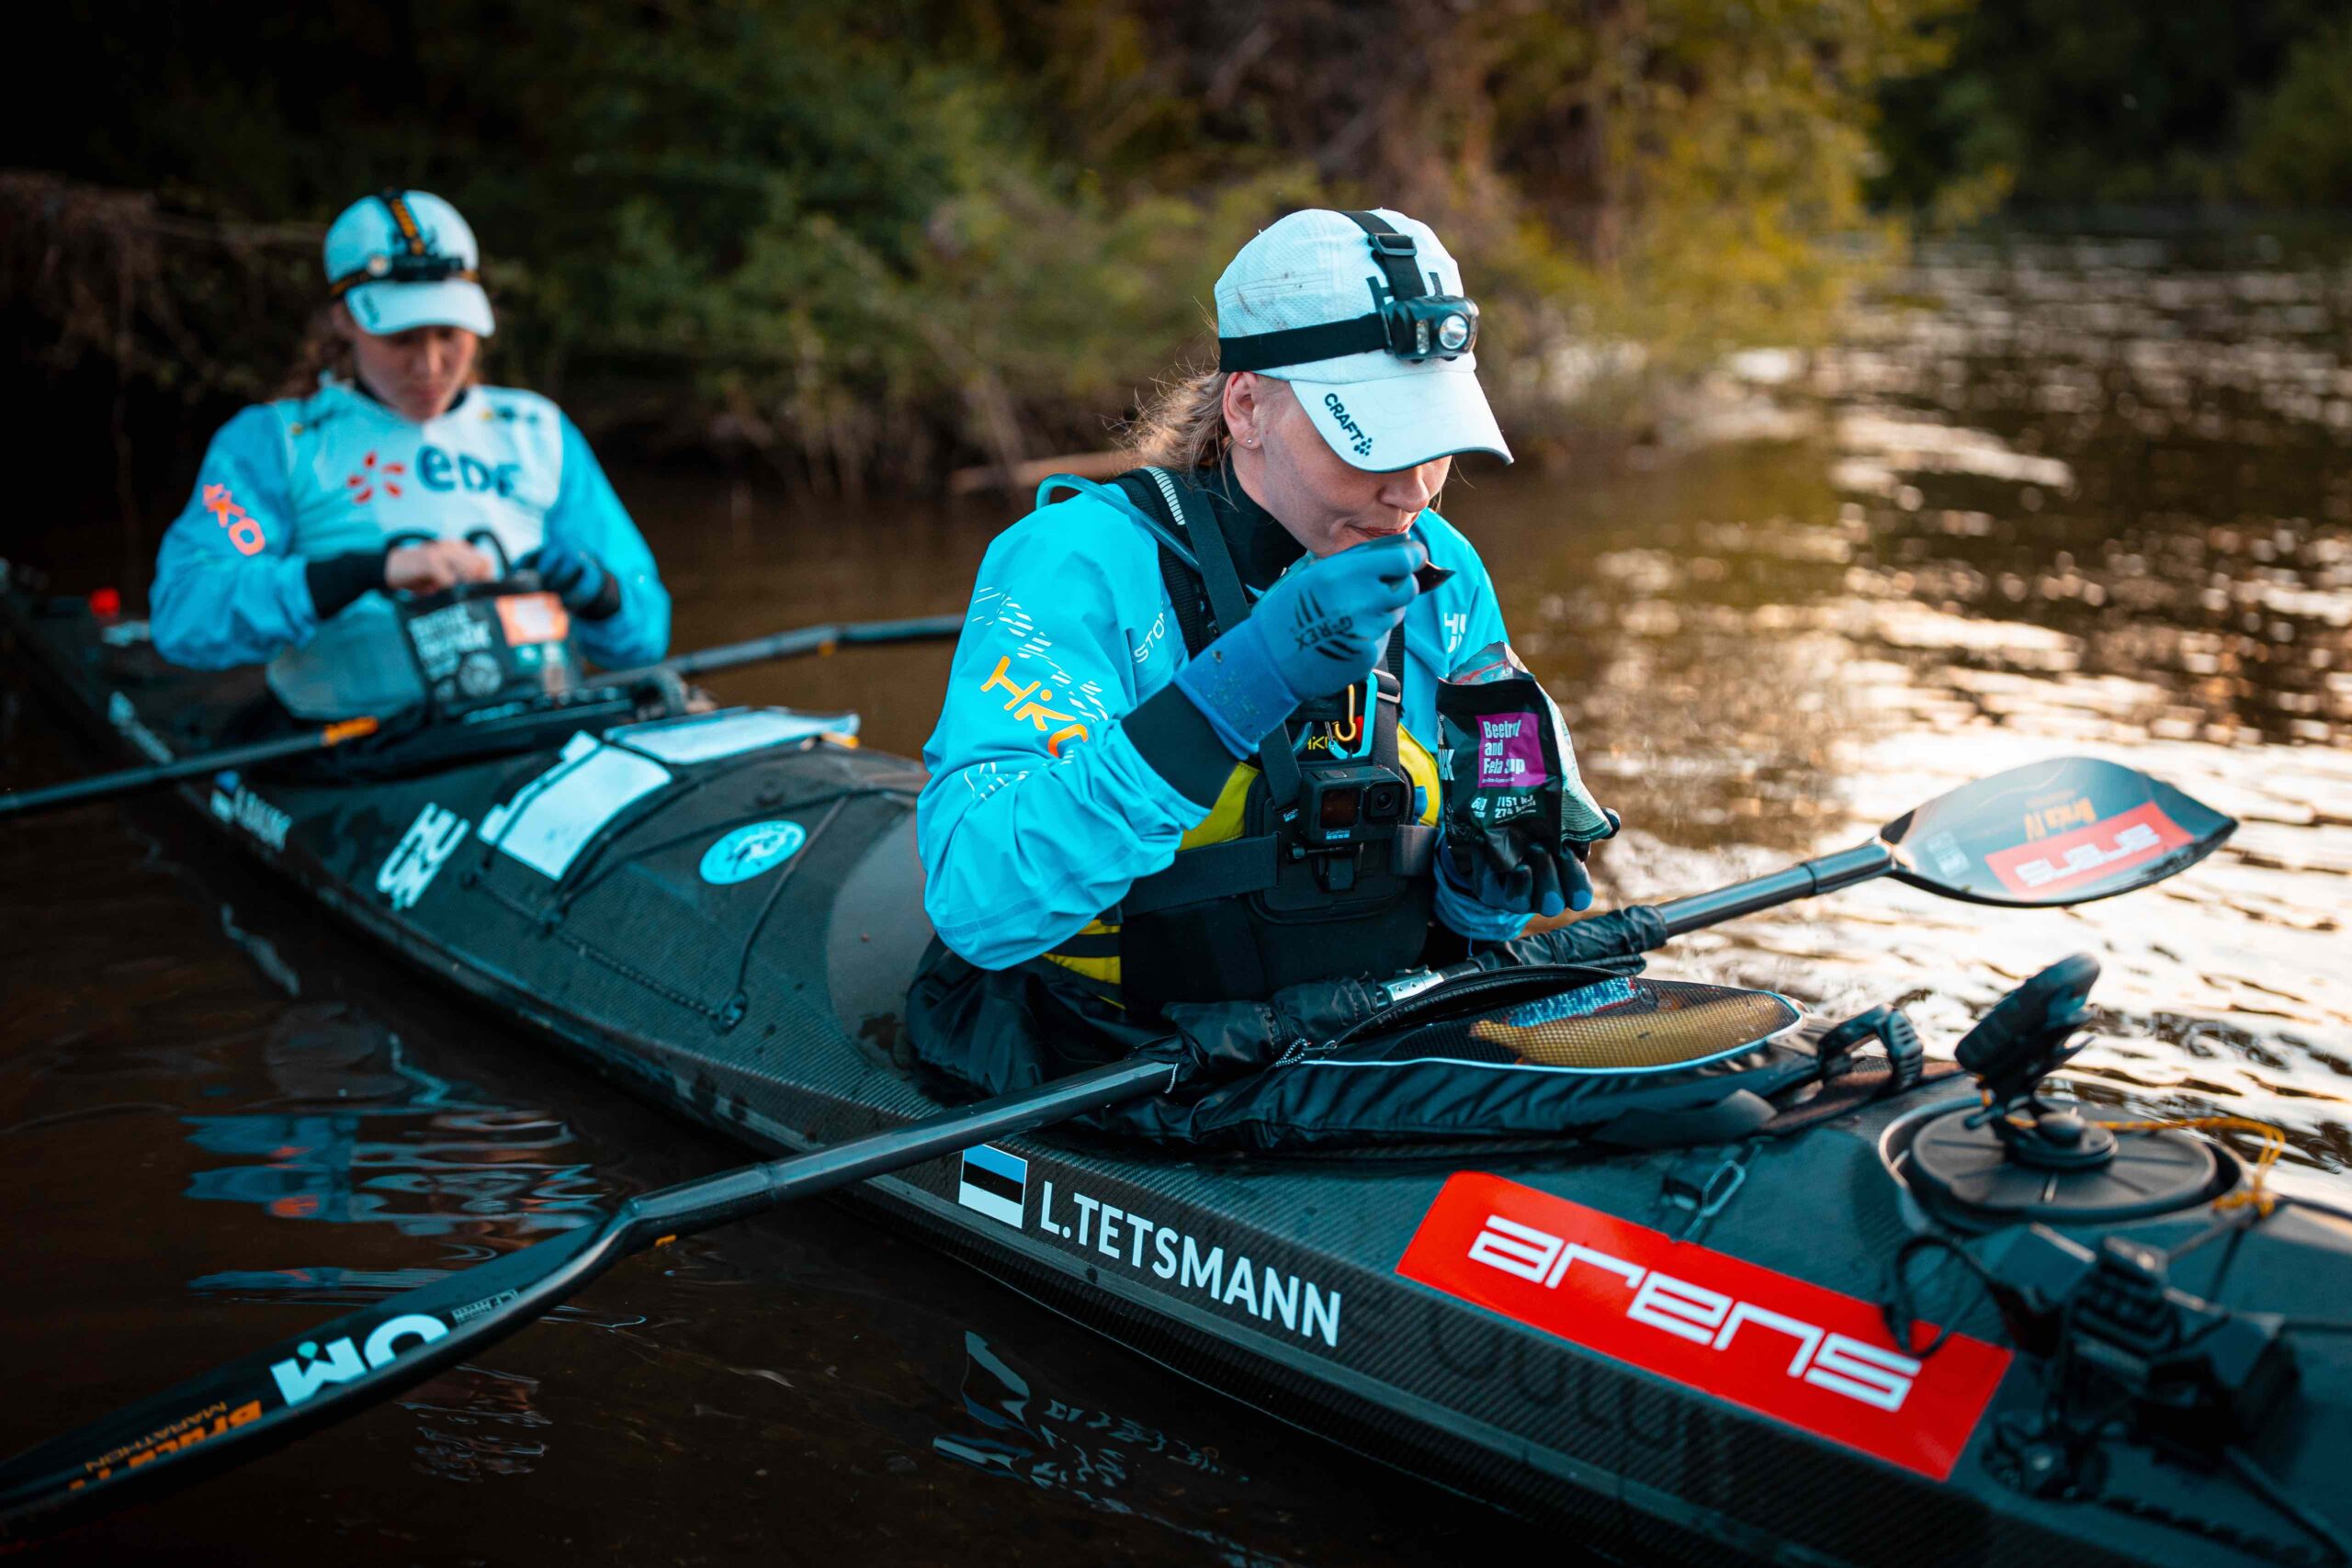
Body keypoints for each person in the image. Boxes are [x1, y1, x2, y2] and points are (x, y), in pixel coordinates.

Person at [910, 208, 1618, 1085]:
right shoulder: (1073, 563)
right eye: (1373, 441)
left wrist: (1482, 890)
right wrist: (1243, 683)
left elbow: (1471, 859)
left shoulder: (1446, 568)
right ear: (1247, 406)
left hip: (1361, 1029)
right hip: (1129, 1047)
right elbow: (979, 900)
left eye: (1431, 440)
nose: (1411, 491)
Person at [149, 189, 669, 721]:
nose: (430, 366)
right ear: (344, 321)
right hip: (364, 754)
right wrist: (363, 573)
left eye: (449, 335)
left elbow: (644, 635)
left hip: (534, 728)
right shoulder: (274, 443)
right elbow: (187, 612)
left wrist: (594, 588)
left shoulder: (537, 430)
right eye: (401, 339)